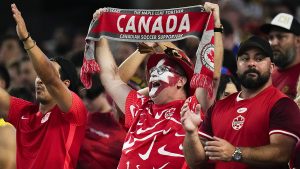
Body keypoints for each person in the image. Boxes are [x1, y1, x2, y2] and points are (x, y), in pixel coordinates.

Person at [93, 2, 223, 168]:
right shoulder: (140, 106)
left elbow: (212, 76)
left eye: (161, 69)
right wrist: (101, 34)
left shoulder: (193, 106)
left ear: (181, 81)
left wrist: (216, 25)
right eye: (153, 70)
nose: (153, 73)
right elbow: (111, 77)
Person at [181, 35, 300, 169]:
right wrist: (191, 133)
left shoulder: (282, 104)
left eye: (259, 58)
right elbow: (196, 163)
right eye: (244, 58)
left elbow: (281, 154)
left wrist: (236, 153)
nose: (251, 63)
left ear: (272, 67)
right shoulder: (218, 106)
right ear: (237, 66)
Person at [0, 4, 87, 169]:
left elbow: (50, 78)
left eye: (44, 76)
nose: (40, 80)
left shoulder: (74, 112)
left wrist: (26, 40)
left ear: (66, 84)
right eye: (38, 76)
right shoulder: (25, 113)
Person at [77, 75, 127, 169]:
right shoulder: (82, 115)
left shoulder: (120, 121)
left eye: (90, 97)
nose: (85, 102)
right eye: (82, 97)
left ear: (103, 93)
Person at [260, 13, 300, 98]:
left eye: (281, 37)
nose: (273, 43)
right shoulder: (266, 74)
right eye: (271, 38)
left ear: (298, 41)